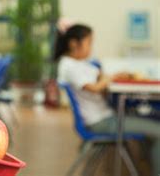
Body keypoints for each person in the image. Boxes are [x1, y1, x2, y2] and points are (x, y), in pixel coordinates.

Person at [56, 24, 160, 176]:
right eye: (89, 42)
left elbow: (101, 76)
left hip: (104, 117)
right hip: (101, 122)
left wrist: (111, 77)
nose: (91, 47)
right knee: (158, 130)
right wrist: (108, 79)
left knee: (151, 124)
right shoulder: (69, 66)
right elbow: (95, 87)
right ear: (73, 43)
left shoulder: (77, 63)